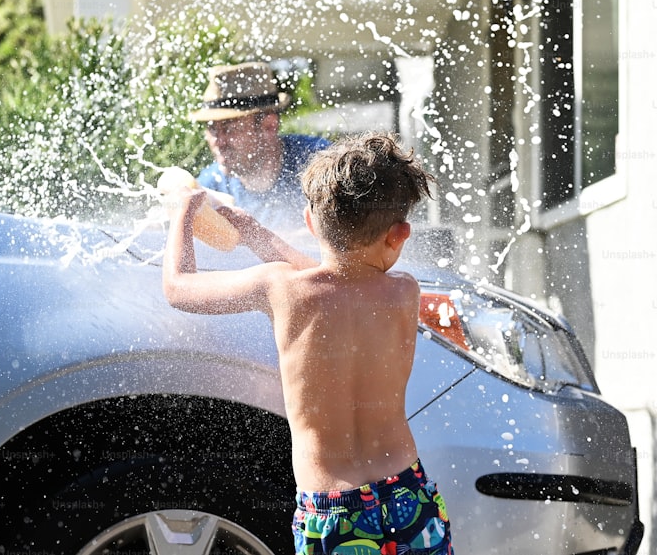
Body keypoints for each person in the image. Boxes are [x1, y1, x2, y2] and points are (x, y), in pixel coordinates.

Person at [163, 132, 453, 554]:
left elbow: (178, 287)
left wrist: (183, 212)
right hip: (409, 497)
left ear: (311, 222)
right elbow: (340, 278)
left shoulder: (281, 289)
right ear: (400, 234)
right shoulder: (405, 292)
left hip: (334, 511)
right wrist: (252, 232)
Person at [188, 61, 330, 228]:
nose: (218, 141)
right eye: (212, 129)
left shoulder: (320, 163)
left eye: (229, 129)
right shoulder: (210, 187)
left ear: (269, 126)